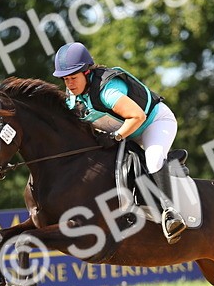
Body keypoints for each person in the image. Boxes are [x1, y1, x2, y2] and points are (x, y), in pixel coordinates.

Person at [52, 41, 186, 243]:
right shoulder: (73, 98)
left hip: (154, 123)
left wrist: (115, 137)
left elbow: (137, 117)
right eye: (65, 79)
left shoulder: (108, 90)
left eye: (73, 78)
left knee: (153, 159)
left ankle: (171, 212)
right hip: (128, 132)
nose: (69, 84)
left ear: (87, 73)